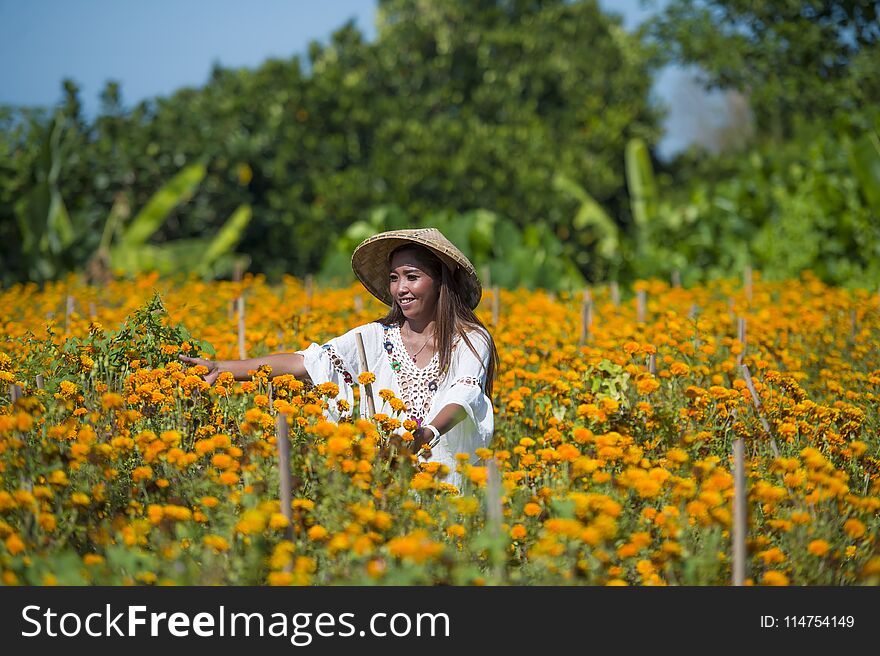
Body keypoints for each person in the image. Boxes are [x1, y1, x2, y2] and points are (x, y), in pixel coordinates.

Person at [180, 227, 499, 490]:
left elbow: (464, 397)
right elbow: (308, 362)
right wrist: (223, 368)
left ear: (441, 281)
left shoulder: (470, 339)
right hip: (385, 476)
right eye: (393, 277)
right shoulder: (378, 336)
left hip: (444, 481)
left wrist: (425, 434)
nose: (400, 288)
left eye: (411, 277)